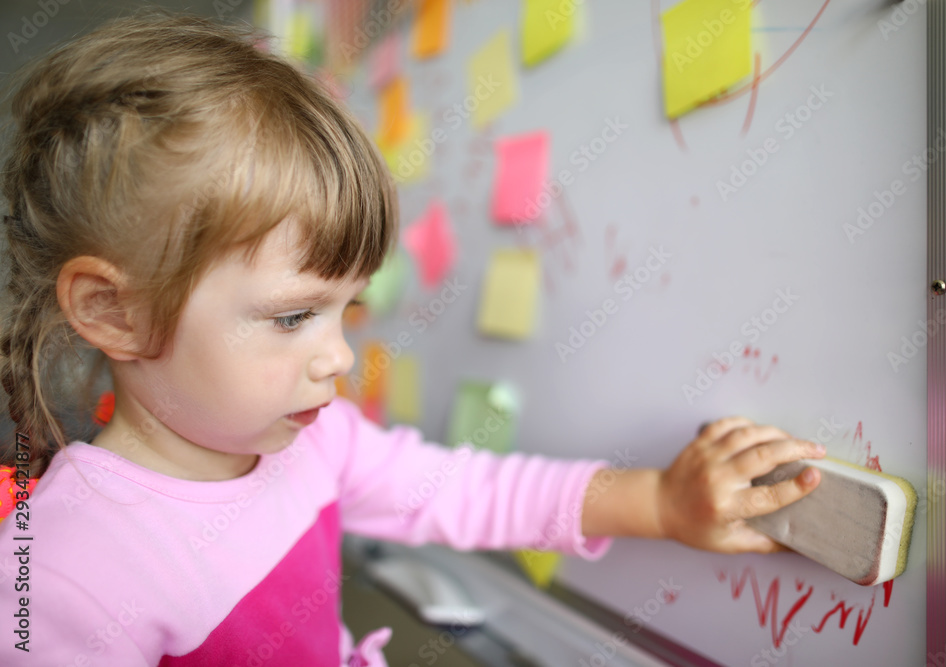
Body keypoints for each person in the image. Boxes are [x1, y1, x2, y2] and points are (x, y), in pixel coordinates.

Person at [0, 11, 824, 666]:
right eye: (293, 316)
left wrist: (662, 502)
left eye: (347, 311)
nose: (338, 357)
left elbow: (463, 491)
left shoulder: (316, 444)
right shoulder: (64, 570)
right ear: (114, 312)